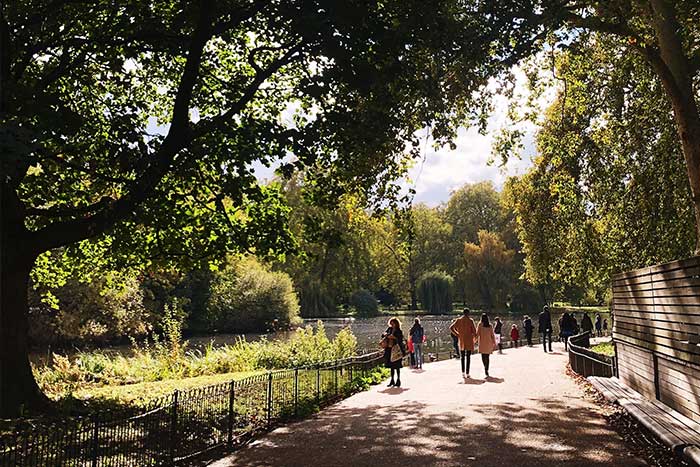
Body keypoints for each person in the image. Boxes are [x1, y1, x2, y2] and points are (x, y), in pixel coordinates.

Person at [449, 308, 477, 378]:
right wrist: (474, 339)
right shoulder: (470, 321)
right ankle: (467, 372)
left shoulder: (458, 320)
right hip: (469, 341)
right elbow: (474, 331)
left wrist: (457, 334)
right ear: (468, 313)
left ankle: (463, 372)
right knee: (468, 357)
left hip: (461, 341)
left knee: (462, 357)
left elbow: (451, 328)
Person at [382, 318, 406, 387]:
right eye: (391, 323)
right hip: (389, 349)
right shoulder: (389, 329)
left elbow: (400, 339)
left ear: (396, 323)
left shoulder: (399, 331)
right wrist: (386, 334)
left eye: (393, 324)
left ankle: (398, 380)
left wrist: (394, 337)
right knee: (391, 367)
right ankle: (392, 380)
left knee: (397, 366)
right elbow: (383, 334)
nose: (392, 325)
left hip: (396, 350)